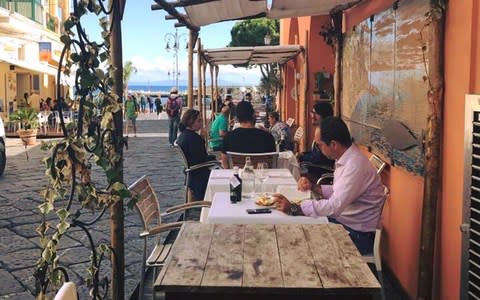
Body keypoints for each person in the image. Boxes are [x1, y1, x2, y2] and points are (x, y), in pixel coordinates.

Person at [272, 117, 386, 255]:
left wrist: (295, 208)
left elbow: (334, 207)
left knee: (298, 233)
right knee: (297, 224)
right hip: (346, 223)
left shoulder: (354, 166)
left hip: (358, 236)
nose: (318, 149)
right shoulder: (347, 159)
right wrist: (314, 187)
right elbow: (340, 191)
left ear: (333, 144)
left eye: (319, 145)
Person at [176, 109, 217, 200]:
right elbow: (201, 158)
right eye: (199, 121)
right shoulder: (194, 138)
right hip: (198, 173)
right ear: (191, 122)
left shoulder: (184, 135)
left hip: (191, 172)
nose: (201, 123)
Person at [221, 101, 276, 168]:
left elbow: (225, 164)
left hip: (238, 176)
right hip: (261, 176)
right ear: (253, 115)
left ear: (237, 118)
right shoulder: (268, 137)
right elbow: (272, 163)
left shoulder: (228, 137)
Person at [298, 102, 335, 181]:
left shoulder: (328, 131)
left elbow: (322, 157)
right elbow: (316, 154)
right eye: (312, 113)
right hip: (316, 168)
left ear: (324, 115)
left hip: (322, 173)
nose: (312, 116)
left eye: (316, 113)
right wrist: (303, 154)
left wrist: (302, 157)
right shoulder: (320, 129)